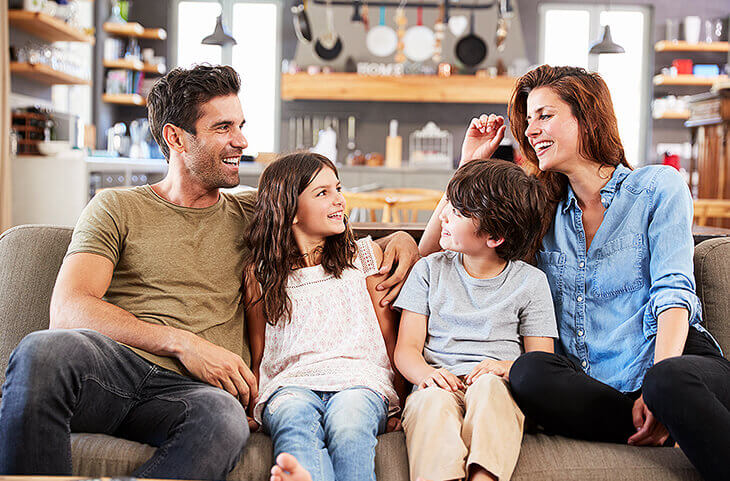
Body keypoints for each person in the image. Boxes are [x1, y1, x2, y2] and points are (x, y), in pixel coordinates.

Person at [0, 65, 419, 479]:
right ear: (176, 137)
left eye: (240, 126)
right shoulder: (116, 207)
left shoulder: (255, 211)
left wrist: (403, 238)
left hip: (194, 395)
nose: (242, 141)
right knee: (43, 352)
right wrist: (184, 344)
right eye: (223, 128)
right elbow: (69, 310)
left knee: (224, 421)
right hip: (114, 370)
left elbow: (331, 235)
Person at [459, 65, 730, 481]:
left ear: (586, 119)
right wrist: (469, 165)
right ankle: (655, 426)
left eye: (545, 115)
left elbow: (674, 293)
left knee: (668, 381)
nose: (530, 130)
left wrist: (655, 388)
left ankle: (664, 409)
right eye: (528, 120)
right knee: (529, 371)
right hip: (599, 393)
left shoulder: (657, 187)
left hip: (676, 367)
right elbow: (453, 247)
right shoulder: (540, 212)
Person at [244, 152, 409, 481]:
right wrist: (249, 404)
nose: (339, 200)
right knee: (294, 422)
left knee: (350, 425)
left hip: (360, 383)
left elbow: (390, 340)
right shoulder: (260, 274)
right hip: (290, 385)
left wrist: (401, 402)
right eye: (322, 193)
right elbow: (259, 353)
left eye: (338, 188)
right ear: (290, 210)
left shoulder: (364, 257)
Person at [394, 159, 558, 481]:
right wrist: (427, 375)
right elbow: (406, 350)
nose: (443, 214)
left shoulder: (531, 282)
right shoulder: (428, 271)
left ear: (494, 236)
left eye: (457, 212)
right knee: (432, 403)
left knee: (490, 390)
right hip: (437, 383)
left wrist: (505, 367)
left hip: (498, 387)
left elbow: (541, 361)